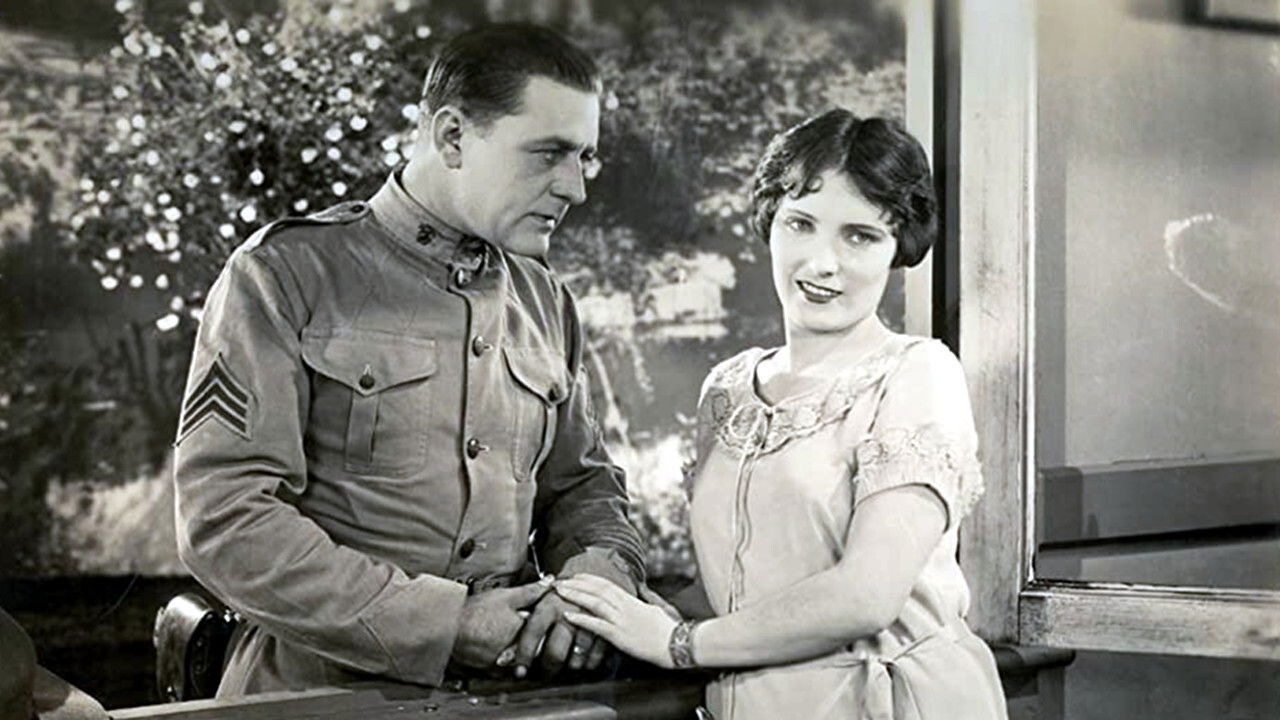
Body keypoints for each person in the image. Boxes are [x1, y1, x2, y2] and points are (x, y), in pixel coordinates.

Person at [172, 23, 644, 697]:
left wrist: (599, 576)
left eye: (586, 158)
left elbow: (583, 488)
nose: (576, 188)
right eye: (549, 154)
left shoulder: (546, 301)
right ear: (452, 137)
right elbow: (225, 518)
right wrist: (442, 623)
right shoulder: (285, 275)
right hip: (317, 700)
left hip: (505, 702)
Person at [554, 110, 1008, 719]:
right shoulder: (728, 389)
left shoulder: (917, 373)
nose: (822, 263)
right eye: (801, 224)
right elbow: (740, 590)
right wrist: (617, 606)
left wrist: (677, 643)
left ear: (897, 247)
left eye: (859, 236)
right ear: (770, 221)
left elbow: (866, 596)